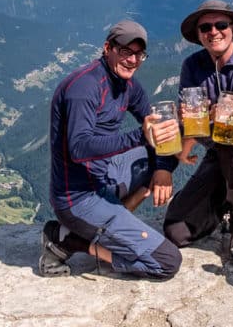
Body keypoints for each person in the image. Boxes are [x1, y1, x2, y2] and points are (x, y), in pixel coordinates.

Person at [39, 20, 182, 279]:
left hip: (105, 177)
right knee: (166, 262)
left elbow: (154, 128)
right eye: (126, 51)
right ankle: (71, 242)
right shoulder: (84, 88)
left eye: (139, 54)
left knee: (167, 149)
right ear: (108, 48)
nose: (133, 60)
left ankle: (117, 216)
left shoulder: (128, 86)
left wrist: (163, 167)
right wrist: (140, 136)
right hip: (78, 199)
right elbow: (79, 148)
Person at [163, 0, 233, 264]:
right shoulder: (193, 65)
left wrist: (219, 112)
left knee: (231, 130)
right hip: (218, 151)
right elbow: (191, 116)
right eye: (205, 28)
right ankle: (219, 201)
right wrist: (187, 142)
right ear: (199, 35)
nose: (214, 31)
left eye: (221, 24)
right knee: (176, 231)